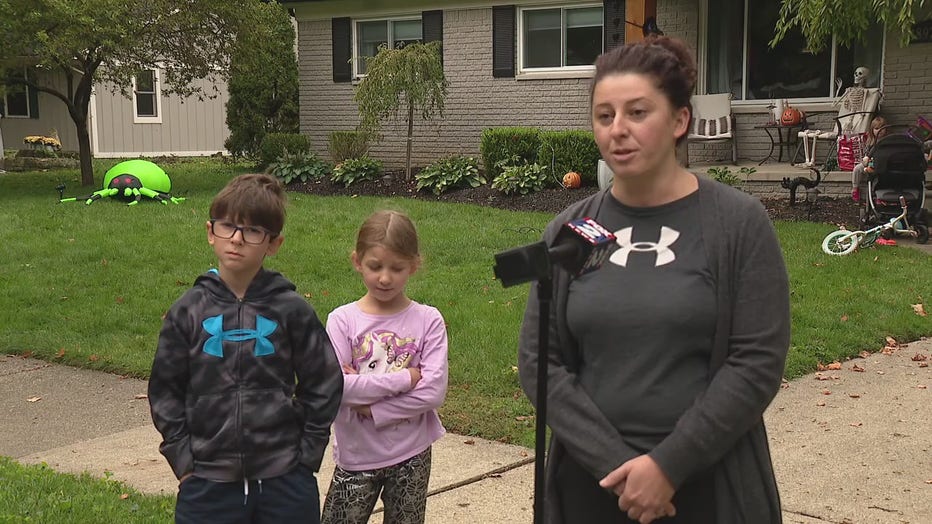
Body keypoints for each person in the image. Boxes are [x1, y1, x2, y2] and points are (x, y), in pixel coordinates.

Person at [517, 36, 790, 524]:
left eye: (637, 113)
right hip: (592, 485)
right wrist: (618, 467)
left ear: (680, 120)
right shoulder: (570, 230)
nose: (617, 130)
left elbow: (756, 362)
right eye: (605, 116)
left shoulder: (737, 224)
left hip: (707, 485)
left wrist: (667, 466)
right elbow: (541, 361)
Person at [148, 173, 343, 524]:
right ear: (211, 232)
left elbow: (324, 381)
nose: (237, 239)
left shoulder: (291, 309)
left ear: (273, 243)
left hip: (285, 480)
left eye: (253, 231)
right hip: (207, 483)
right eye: (228, 227)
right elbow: (165, 391)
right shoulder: (188, 311)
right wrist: (184, 461)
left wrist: (307, 456)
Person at [321, 210, 448, 524]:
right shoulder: (342, 320)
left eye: (397, 268)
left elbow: (433, 393)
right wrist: (406, 377)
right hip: (356, 455)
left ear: (414, 266)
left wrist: (372, 409)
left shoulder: (428, 320)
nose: (385, 277)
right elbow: (335, 386)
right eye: (375, 266)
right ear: (357, 261)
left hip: (412, 454)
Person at [851, 116, 889, 202]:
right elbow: (866, 154)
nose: (880, 130)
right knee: (857, 169)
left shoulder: (888, 140)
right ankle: (855, 189)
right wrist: (865, 160)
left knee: (878, 176)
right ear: (872, 130)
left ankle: (877, 195)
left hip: (882, 164)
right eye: (876, 128)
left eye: (882, 128)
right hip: (870, 162)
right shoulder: (870, 141)